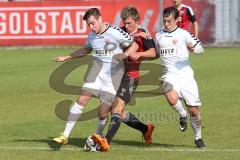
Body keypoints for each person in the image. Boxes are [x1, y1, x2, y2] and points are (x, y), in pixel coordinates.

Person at [52, 8, 139, 145]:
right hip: (96, 71)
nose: (91, 27)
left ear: (100, 19)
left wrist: (125, 55)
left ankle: (98, 136)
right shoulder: (92, 35)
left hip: (113, 76)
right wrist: (68, 57)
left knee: (103, 113)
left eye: (93, 23)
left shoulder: (115, 32)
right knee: (81, 99)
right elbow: (87, 48)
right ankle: (65, 135)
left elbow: (134, 45)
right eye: (89, 25)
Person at [91, 6, 157, 152]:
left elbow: (153, 53)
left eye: (129, 24)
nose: (126, 26)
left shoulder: (143, 33)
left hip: (130, 76)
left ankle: (106, 142)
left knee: (117, 108)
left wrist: (140, 54)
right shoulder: (121, 31)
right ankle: (145, 129)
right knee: (118, 113)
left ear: (137, 21)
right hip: (115, 76)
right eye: (125, 23)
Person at [155, 6, 205, 148]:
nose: (166, 24)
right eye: (164, 21)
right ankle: (182, 114)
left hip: (185, 76)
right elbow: (157, 53)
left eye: (169, 21)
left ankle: (198, 138)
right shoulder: (158, 35)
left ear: (177, 19)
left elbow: (200, 49)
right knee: (171, 98)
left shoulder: (184, 34)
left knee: (194, 111)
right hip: (168, 74)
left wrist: (194, 48)